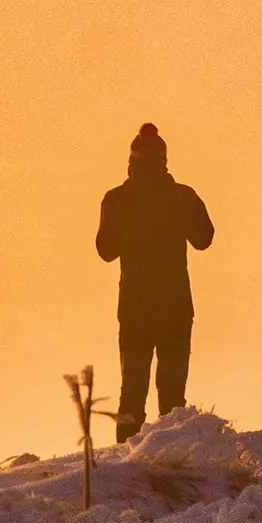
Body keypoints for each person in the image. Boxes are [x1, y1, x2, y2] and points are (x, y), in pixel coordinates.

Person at [94, 123, 214, 441]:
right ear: (164, 160)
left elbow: (105, 250)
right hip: (174, 308)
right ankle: (168, 461)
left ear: (131, 161)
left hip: (135, 310)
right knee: (172, 400)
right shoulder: (180, 197)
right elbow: (205, 238)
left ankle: (125, 463)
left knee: (131, 396)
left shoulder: (117, 200)